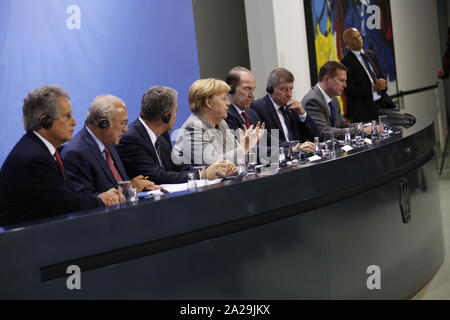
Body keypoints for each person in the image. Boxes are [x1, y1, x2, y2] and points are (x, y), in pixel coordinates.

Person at [0, 86, 120, 226]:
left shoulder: (41, 150)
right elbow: (67, 206)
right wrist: (102, 200)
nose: (74, 122)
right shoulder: (34, 158)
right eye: (67, 116)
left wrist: (99, 197)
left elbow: (70, 197)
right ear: (45, 121)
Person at [116, 86, 236, 184]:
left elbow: (177, 166)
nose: (176, 115)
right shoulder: (131, 138)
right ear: (166, 116)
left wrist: (212, 168)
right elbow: (156, 176)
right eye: (176, 111)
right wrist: (202, 175)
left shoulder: (162, 134)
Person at [61, 95, 158, 196]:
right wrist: (129, 190)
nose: (126, 129)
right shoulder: (76, 153)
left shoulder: (109, 143)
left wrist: (132, 186)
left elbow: (114, 185)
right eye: (122, 123)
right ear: (104, 124)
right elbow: (86, 203)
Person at [172, 78, 263, 166]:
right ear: (208, 102)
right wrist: (243, 148)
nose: (228, 103)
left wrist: (249, 145)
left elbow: (238, 156)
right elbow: (213, 165)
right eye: (224, 98)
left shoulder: (221, 122)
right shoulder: (193, 127)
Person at [250, 68, 317, 153]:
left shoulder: (293, 108)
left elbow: (316, 136)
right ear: (270, 89)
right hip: (279, 160)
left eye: (291, 89)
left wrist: (303, 114)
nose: (289, 94)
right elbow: (268, 142)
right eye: (283, 89)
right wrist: (296, 147)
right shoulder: (258, 107)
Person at [303, 61, 373, 139]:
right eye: (342, 80)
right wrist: (360, 130)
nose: (345, 85)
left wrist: (365, 127)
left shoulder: (333, 98)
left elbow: (341, 125)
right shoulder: (313, 100)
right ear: (327, 79)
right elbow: (325, 132)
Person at [341, 28, 395, 123]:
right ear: (347, 44)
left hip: (380, 105)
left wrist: (383, 83)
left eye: (359, 36)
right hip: (363, 111)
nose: (358, 39)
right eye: (354, 38)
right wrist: (372, 88)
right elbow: (350, 90)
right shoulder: (346, 63)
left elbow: (380, 76)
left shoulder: (370, 55)